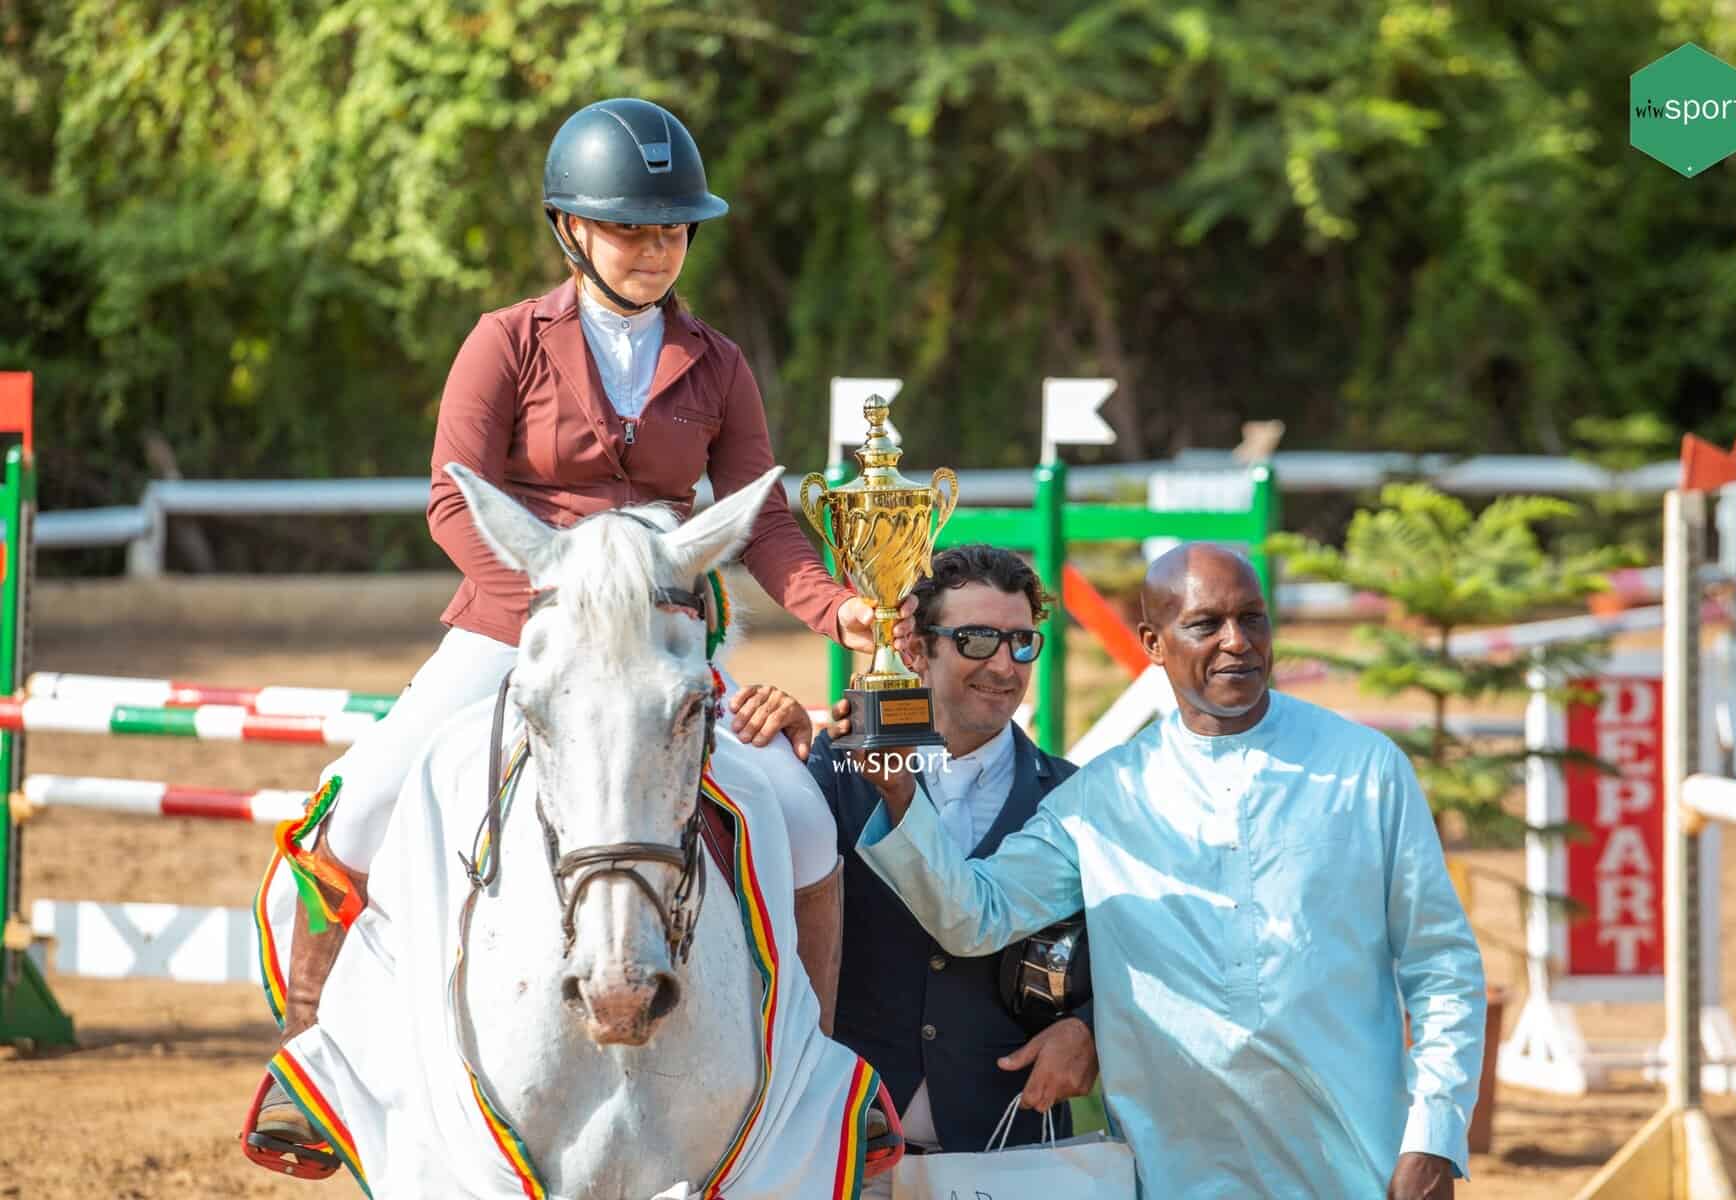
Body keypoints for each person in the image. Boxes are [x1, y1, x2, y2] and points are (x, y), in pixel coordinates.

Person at [250, 97, 880, 1157]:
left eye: (673, 229)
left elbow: (763, 518)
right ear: (571, 230)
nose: (655, 248)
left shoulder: (716, 362)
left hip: (659, 648)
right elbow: (454, 502)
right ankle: (315, 1067)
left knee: (805, 823)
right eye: (631, 228)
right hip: (520, 628)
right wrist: (556, 594)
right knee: (351, 812)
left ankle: (812, 1084)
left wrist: (839, 606)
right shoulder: (506, 342)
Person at [848, 543, 1487, 1200]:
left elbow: (1441, 968)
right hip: (1175, 1174)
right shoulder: (1103, 796)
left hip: (1355, 1164)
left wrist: (1433, 1138)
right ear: (1153, 643)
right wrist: (899, 799)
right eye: (1206, 624)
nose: (1236, 642)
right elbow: (974, 918)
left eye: (1253, 619)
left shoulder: (1364, 769)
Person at [809, 546, 1099, 1194]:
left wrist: (1090, 1029)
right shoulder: (829, 770)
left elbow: (1131, 949)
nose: (1004, 665)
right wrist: (765, 736)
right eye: (976, 640)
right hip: (849, 1150)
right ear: (913, 649)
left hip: (1013, 1151)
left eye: (1023, 643)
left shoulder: (1074, 794)